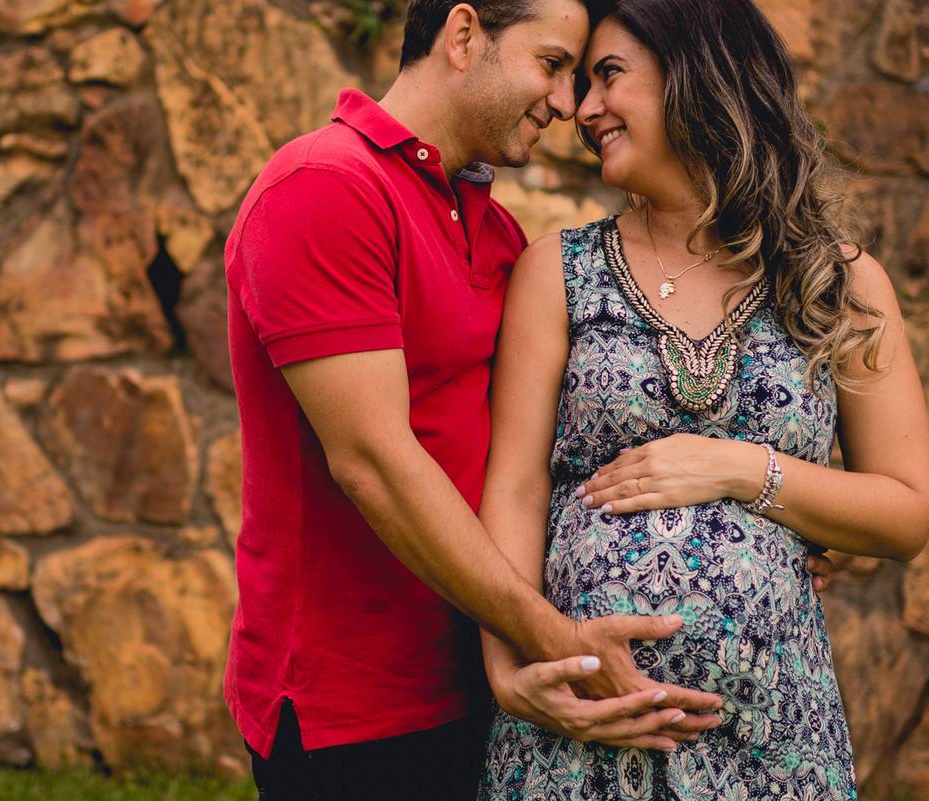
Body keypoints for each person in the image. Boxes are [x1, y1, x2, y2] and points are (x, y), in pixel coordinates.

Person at [221, 1, 746, 799]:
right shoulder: (325, 186)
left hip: (481, 679)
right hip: (356, 709)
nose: (568, 103)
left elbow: (549, 454)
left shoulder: (493, 229)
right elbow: (373, 461)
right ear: (463, 36)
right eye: (552, 64)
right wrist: (554, 643)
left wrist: (742, 531)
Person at [476, 0, 929, 798]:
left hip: (774, 746)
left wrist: (735, 468)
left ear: (698, 75)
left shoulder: (840, 281)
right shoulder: (558, 270)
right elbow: (515, 483)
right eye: (580, 84)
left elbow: (906, 512)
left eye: (609, 77)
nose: (583, 111)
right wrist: (513, 666)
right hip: (577, 736)